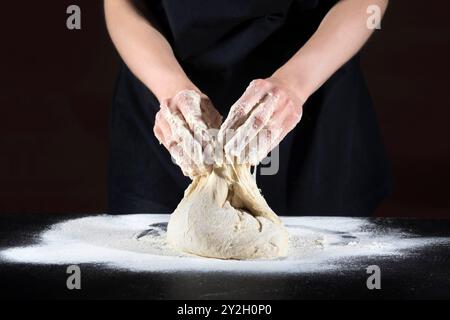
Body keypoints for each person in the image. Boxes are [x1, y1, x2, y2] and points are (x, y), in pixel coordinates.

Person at [104, 0, 392, 216]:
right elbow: (121, 3)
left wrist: (294, 84)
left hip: (315, 89)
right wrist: (170, 89)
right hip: (166, 96)